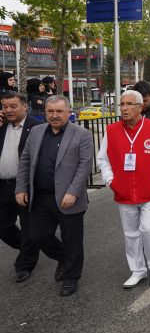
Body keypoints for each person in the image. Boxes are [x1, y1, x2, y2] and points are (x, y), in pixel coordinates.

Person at [15, 95, 94, 296]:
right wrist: (21, 188)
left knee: (72, 240)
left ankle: (71, 277)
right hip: (40, 197)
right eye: (50, 111)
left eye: (59, 111)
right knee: (37, 236)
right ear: (45, 113)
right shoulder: (36, 132)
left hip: (69, 198)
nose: (55, 115)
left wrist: (73, 192)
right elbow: (24, 162)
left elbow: (84, 167)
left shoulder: (82, 135)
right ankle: (65, 259)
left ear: (68, 112)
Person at [97, 90, 150, 289]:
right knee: (130, 234)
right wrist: (110, 179)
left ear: (140, 107)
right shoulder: (112, 130)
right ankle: (138, 270)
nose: (124, 108)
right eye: (121, 104)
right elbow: (102, 158)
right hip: (123, 191)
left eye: (129, 104)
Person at [0, 94, 44, 282]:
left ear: (25, 107)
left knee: (28, 226)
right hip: (3, 185)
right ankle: (26, 247)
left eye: (13, 106)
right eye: (5, 106)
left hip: (26, 186)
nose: (8, 110)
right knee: (3, 226)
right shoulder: (1, 127)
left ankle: (24, 264)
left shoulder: (36, 128)